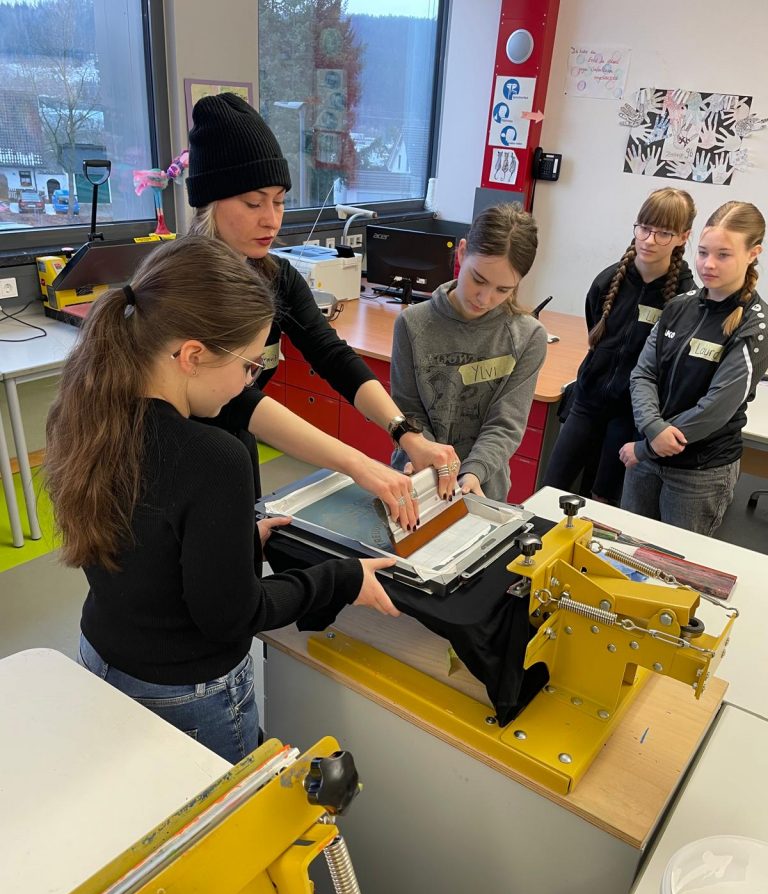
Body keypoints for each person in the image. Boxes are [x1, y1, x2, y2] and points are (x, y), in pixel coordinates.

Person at [45, 235, 401, 764]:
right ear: (192, 356)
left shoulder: (89, 411)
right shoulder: (215, 456)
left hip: (103, 655)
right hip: (189, 693)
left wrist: (231, 541)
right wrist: (341, 578)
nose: (249, 383)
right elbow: (233, 618)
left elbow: (144, 544)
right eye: (250, 366)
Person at [185, 92, 461, 529]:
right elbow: (237, 400)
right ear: (209, 203)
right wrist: (356, 463)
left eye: (279, 201)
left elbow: (332, 356)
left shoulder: (276, 276)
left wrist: (405, 434)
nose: (271, 219)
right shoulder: (185, 286)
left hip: (236, 453)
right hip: (180, 460)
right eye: (254, 203)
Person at [619, 200, 767, 535]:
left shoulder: (756, 326)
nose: (708, 264)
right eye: (702, 252)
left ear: (753, 253)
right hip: (649, 455)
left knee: (676, 562)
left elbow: (716, 409)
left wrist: (646, 447)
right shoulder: (678, 306)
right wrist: (652, 428)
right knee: (628, 550)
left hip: (698, 473)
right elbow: (643, 374)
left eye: (723, 255)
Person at [543, 188, 696, 504]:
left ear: (684, 236)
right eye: (644, 228)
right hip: (587, 400)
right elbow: (595, 329)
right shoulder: (608, 280)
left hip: (632, 414)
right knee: (551, 488)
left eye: (663, 233)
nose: (649, 240)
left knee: (603, 498)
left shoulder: (685, 298)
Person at [389, 204, 547, 503]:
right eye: (479, 279)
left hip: (481, 485)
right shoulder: (412, 324)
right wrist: (432, 462)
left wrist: (473, 472)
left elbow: (505, 423)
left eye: (503, 289)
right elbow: (408, 410)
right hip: (417, 476)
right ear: (462, 253)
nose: (485, 298)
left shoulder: (528, 337)